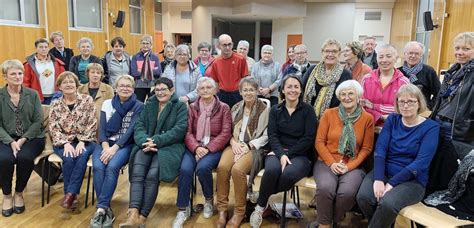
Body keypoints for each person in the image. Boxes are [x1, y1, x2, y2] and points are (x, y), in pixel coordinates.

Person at [356, 84, 440, 228]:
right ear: (397, 104)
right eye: (402, 102)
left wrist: (392, 183)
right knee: (363, 197)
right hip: (385, 172)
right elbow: (380, 149)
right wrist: (378, 179)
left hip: (412, 180)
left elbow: (421, 162)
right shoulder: (393, 119)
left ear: (419, 103)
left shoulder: (431, 127)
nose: (406, 105)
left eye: (411, 102)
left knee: (387, 203)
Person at [249, 75, 317, 227]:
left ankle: (262, 197)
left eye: (296, 87)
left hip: (300, 154)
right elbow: (273, 136)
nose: (292, 90)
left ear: (301, 90)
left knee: (288, 174)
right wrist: (281, 154)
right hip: (277, 151)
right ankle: (260, 209)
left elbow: (308, 138)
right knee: (271, 171)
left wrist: (288, 154)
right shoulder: (275, 110)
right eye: (289, 87)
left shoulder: (308, 110)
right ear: (283, 90)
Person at [120, 77, 187, 227]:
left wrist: (157, 140)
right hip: (146, 144)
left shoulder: (180, 106)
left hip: (168, 147)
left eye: (163, 89)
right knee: (137, 173)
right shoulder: (149, 104)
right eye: (157, 90)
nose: (160, 93)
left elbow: (180, 130)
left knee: (152, 176)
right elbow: (139, 126)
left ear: (172, 90)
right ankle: (133, 215)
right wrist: (146, 141)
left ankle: (143, 217)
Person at [309, 80, 374, 228]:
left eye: (351, 93)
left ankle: (332, 220)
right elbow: (319, 142)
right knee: (326, 189)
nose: (347, 97)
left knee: (347, 193)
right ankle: (325, 225)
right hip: (327, 161)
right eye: (343, 94)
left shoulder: (367, 119)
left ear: (358, 96)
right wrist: (332, 163)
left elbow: (366, 149)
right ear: (339, 97)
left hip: (353, 164)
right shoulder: (329, 114)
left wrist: (349, 167)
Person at [172, 77, 232, 228]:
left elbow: (226, 133)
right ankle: (182, 209)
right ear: (197, 91)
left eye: (208, 87)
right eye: (202, 88)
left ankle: (208, 200)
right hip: (194, 146)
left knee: (203, 168)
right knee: (185, 170)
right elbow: (187, 132)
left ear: (215, 90)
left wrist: (207, 148)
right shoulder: (192, 107)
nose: (205, 90)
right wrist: (196, 148)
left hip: (214, 147)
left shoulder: (223, 107)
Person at [215, 77, 270, 228]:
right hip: (234, 144)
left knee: (237, 170)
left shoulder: (265, 109)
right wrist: (233, 143)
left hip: (254, 147)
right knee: (222, 167)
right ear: (240, 92)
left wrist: (249, 145)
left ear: (257, 91)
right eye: (245, 90)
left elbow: (267, 134)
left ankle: (239, 212)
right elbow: (228, 130)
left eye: (251, 89)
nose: (248, 93)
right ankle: (222, 210)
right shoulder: (235, 107)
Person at [89, 75, 143, 228]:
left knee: (112, 167)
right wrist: (106, 146)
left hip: (124, 145)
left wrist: (115, 147)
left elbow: (131, 130)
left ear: (133, 89)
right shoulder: (107, 103)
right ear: (116, 88)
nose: (125, 88)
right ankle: (104, 208)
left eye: (128, 86)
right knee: (98, 167)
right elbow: (102, 128)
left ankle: (101, 210)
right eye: (122, 85)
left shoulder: (138, 106)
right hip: (105, 143)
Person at [0, 60, 45, 217]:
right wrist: (11, 141)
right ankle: (6, 195)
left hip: (32, 137)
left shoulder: (32, 94)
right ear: (5, 76)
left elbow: (38, 121)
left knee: (24, 158)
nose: (17, 76)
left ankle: (18, 193)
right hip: (5, 138)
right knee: (4, 159)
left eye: (20, 73)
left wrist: (23, 139)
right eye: (13, 73)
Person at [49, 71, 97, 211]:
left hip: (86, 141)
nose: (68, 84)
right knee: (69, 158)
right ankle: (71, 195)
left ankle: (70, 194)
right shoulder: (55, 104)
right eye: (65, 82)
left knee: (81, 156)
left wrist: (82, 141)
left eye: (71, 82)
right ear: (59, 87)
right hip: (63, 142)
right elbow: (53, 127)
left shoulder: (87, 100)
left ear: (77, 85)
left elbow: (92, 122)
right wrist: (65, 143)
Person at [432, 32, 474, 144]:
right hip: (438, 122)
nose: (460, 52)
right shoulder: (452, 72)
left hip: (457, 129)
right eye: (457, 48)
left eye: (466, 49)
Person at [361, 44, 410, 127]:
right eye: (381, 57)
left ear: (396, 59)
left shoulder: (404, 82)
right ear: (377, 59)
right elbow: (362, 105)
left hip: (394, 128)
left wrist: (374, 106)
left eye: (388, 56)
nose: (384, 60)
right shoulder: (366, 79)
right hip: (369, 126)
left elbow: (402, 108)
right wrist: (379, 117)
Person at [302, 39, 352, 119]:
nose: (330, 54)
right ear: (322, 53)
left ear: (339, 54)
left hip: (334, 119)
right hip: (308, 117)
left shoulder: (345, 74)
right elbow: (301, 90)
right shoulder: (312, 70)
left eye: (334, 51)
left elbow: (346, 100)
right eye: (327, 51)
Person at [209, 34, 249, 109]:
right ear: (218, 46)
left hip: (238, 94)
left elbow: (245, 80)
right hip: (222, 95)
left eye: (229, 44)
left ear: (232, 44)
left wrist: (245, 95)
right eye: (224, 45)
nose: (227, 47)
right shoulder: (215, 62)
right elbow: (216, 82)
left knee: (237, 119)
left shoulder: (240, 59)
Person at [398, 41, 440, 110]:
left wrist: (429, 107)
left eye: (417, 54)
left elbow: (438, 93)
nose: (413, 56)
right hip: (401, 109)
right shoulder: (398, 72)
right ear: (405, 54)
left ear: (421, 55)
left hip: (422, 111)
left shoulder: (429, 71)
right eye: (410, 53)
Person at [23, 38, 65, 104]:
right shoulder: (29, 65)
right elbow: (25, 83)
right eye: (41, 47)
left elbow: (63, 79)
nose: (44, 49)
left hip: (55, 96)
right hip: (37, 97)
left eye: (46, 47)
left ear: (48, 48)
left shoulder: (57, 63)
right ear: (36, 48)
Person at [78, 63, 114, 133]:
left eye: (98, 73)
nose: (95, 75)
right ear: (88, 74)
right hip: (84, 125)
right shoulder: (80, 89)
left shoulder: (108, 89)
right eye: (92, 72)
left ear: (101, 75)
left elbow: (112, 109)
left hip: (102, 124)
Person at [131, 35, 162, 102]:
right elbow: (134, 73)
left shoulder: (155, 57)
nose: (145, 45)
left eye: (147, 43)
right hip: (139, 86)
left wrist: (141, 70)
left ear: (151, 45)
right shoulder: (135, 57)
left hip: (152, 86)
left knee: (152, 104)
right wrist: (151, 70)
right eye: (143, 43)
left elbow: (158, 72)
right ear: (140, 44)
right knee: (139, 105)